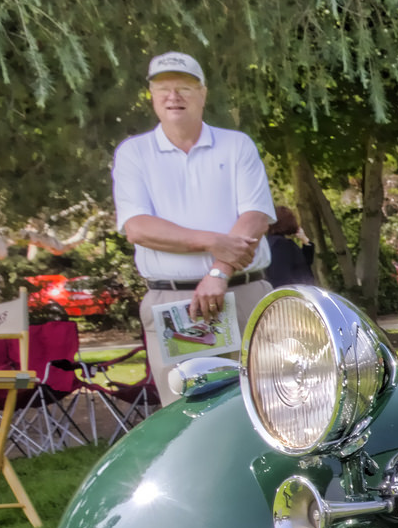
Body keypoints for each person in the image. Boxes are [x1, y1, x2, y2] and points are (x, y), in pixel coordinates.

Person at [111, 51, 275, 404]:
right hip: (175, 305)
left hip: (243, 294)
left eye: (184, 87)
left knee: (267, 408)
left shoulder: (236, 145)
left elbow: (256, 217)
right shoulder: (133, 153)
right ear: (152, 97)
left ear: (202, 93)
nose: (174, 96)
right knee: (188, 416)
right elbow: (138, 228)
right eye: (164, 88)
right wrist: (215, 243)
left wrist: (219, 270)